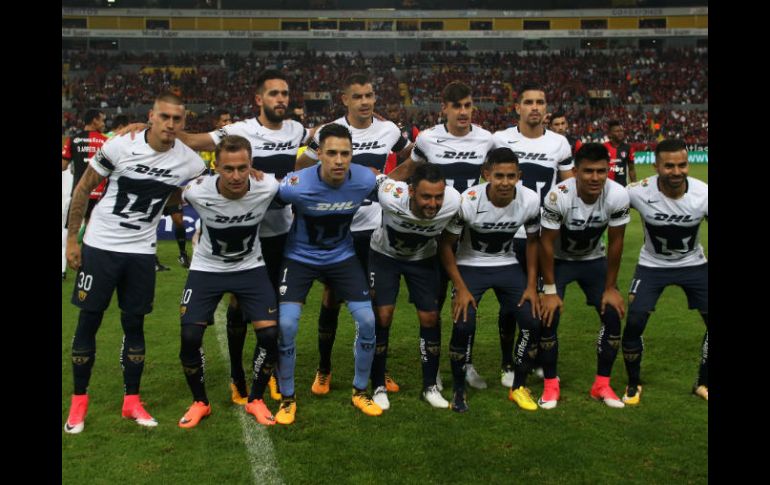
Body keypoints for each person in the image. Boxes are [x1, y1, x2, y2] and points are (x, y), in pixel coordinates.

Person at [121, 70, 308, 405]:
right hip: (244, 236)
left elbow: (325, 136)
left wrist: (369, 119)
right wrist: (150, 127)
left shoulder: (296, 129)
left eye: (285, 93)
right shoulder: (239, 130)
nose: (281, 99)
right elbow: (193, 141)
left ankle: (270, 371)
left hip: (281, 233)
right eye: (274, 93)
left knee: (273, 313)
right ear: (259, 99)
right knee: (237, 307)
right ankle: (237, 375)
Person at [63, 93, 207, 434]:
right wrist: (72, 240)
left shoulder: (189, 161)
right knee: (88, 322)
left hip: (141, 252)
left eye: (177, 119)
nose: (170, 124)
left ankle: (132, 400)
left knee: (135, 325)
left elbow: (209, 180)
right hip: (101, 246)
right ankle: (78, 402)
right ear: (151, 116)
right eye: (164, 116)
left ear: (184, 122)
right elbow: (83, 189)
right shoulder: (120, 144)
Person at [295, 73, 412, 396]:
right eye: (357, 96)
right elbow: (301, 168)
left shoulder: (389, 130)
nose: (365, 102)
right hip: (338, 231)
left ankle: (378, 368)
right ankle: (324, 369)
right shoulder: (329, 132)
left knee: (375, 303)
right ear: (345, 100)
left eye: (369, 95)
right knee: (332, 298)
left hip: (375, 230)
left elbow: (412, 157)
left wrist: (388, 179)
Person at [275, 123, 382, 424]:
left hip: (341, 257)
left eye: (345, 154)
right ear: (319, 153)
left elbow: (395, 191)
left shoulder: (365, 179)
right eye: (332, 153)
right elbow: (265, 201)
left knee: (368, 320)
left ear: (352, 155)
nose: (339, 160)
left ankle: (360, 391)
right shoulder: (296, 183)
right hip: (299, 258)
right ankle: (287, 398)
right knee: (286, 325)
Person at [395, 81, 495, 390]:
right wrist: (380, 184)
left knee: (467, 303)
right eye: (457, 106)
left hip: (468, 236)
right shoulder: (428, 139)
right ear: (444, 109)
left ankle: (465, 363)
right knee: (433, 306)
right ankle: (434, 368)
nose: (463, 112)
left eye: (467, 105)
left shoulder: (486, 139)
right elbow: (408, 169)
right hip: (434, 235)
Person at [176, 135, 280, 428]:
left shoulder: (267, 186)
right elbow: (168, 190)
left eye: (242, 168)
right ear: (216, 168)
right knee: (190, 337)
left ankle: (256, 399)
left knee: (270, 336)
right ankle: (200, 402)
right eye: (228, 169)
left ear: (251, 165)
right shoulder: (197, 191)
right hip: (207, 268)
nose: (236, 176)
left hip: (250, 267)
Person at [439, 148, 542, 412]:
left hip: (507, 264)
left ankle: (519, 387)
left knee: (532, 320)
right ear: (486, 174)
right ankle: (459, 389)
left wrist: (532, 285)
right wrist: (460, 288)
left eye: (511, 176)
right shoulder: (467, 201)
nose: (505, 182)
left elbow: (533, 242)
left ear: (519, 176)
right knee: (463, 323)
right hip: (470, 265)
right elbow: (446, 246)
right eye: (499, 176)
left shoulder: (530, 200)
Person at [538, 143, 631, 409]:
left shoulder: (618, 194)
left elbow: (616, 242)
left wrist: (611, 287)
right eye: (588, 171)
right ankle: (550, 385)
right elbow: (546, 243)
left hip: (593, 260)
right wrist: (550, 290)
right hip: (559, 261)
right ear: (576, 171)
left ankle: (601, 384)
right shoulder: (558, 196)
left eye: (601, 171)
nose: (595, 177)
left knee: (612, 315)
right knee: (548, 316)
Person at [493, 84, 574, 385]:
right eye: (528, 102)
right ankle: (507, 362)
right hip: (508, 234)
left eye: (540, 102)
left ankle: (536, 357)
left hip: (543, 236)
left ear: (546, 108)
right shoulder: (500, 139)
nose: (535, 107)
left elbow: (568, 187)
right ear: (518, 107)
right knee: (509, 305)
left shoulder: (559, 143)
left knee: (542, 300)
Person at [621, 139, 708, 404]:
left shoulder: (703, 193)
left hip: (693, 264)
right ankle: (633, 383)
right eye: (669, 166)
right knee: (634, 321)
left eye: (682, 165)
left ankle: (703, 382)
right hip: (652, 265)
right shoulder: (637, 192)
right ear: (656, 166)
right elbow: (607, 201)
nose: (676, 171)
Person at [368, 162, 461, 411]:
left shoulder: (453, 201)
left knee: (430, 317)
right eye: (426, 197)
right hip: (384, 256)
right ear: (410, 191)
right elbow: (374, 176)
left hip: (422, 259)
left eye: (438, 197)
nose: (433, 203)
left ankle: (430, 386)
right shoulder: (390, 195)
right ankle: (378, 385)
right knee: (383, 315)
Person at [61, 109, 107, 278]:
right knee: (94, 233)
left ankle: (62, 269)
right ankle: (91, 268)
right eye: (102, 120)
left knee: (69, 231)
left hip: (79, 195)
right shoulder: (106, 141)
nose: (104, 124)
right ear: (94, 120)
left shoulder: (73, 139)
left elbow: (63, 166)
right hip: (100, 196)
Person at [603, 120, 637, 187]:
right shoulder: (603, 147)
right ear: (610, 134)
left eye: (621, 131)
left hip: (622, 186)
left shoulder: (628, 148)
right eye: (617, 131)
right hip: (605, 186)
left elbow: (631, 169)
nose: (620, 133)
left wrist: (635, 185)